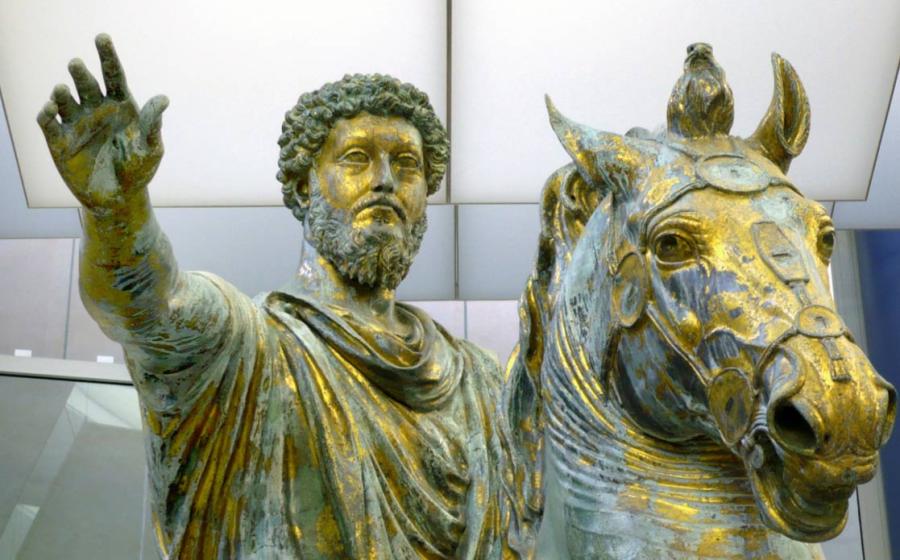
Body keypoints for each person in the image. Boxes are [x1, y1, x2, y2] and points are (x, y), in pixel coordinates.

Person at [38, 34, 513, 559]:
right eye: (357, 158)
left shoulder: (480, 380)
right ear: (304, 186)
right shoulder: (247, 343)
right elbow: (152, 309)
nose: (384, 181)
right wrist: (117, 213)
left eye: (407, 164)